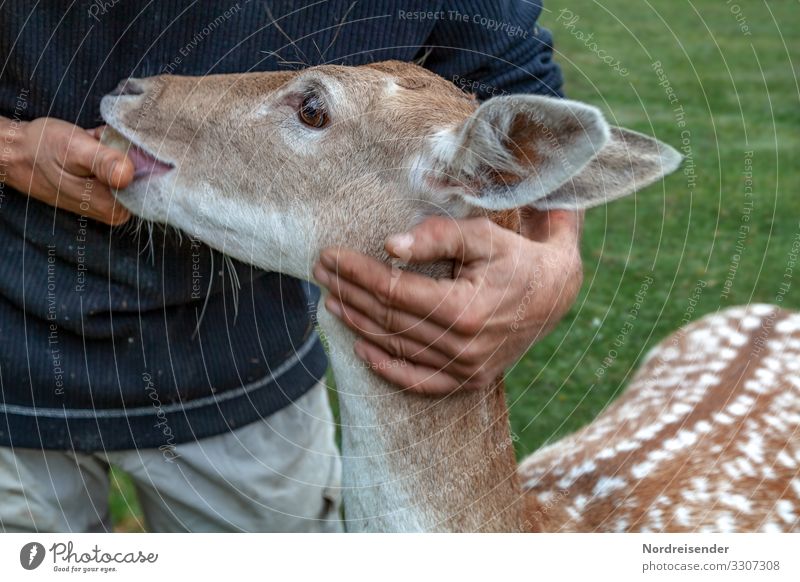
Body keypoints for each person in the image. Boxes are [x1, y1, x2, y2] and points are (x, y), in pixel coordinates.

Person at [0, 0, 583, 532]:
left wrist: (554, 261)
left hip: (249, 368)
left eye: (308, 110)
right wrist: (8, 148)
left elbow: (511, 64)